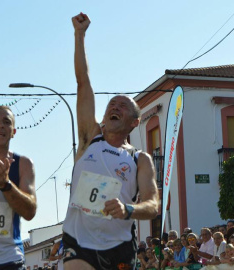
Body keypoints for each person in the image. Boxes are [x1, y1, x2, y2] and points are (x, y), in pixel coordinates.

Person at [62, 12, 159, 270]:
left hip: (119, 247)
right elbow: (83, 82)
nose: (115, 106)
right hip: (78, 242)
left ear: (133, 123)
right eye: (112, 103)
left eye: (123, 106)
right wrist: (79, 35)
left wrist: (128, 209)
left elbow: (152, 205)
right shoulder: (89, 138)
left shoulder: (140, 159)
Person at [0, 106, 36, 269]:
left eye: (6, 122)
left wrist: (6, 186)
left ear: (13, 131)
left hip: (10, 259)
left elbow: (30, 212)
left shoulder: (23, 164)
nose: (0, 125)